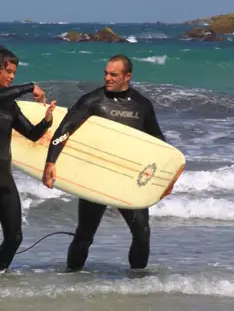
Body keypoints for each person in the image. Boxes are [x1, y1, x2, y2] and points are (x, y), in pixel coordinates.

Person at [41, 54, 165, 272]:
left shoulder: (142, 105)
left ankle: (137, 284)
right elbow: (63, 131)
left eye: (113, 74)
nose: (107, 78)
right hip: (96, 176)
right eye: (106, 73)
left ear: (127, 76)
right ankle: (72, 279)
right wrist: (50, 162)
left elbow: (158, 143)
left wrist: (164, 177)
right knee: (85, 235)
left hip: (129, 178)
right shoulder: (92, 101)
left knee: (142, 233)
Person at [0, 45, 56, 276]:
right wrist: (29, 87)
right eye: (9, 72)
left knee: (15, 236)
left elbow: (32, 134)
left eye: (15, 72)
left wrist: (46, 121)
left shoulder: (9, 105)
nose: (12, 76)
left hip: (4, 176)